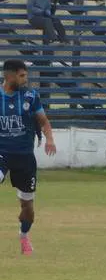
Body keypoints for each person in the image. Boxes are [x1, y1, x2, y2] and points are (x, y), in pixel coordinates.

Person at [0, 59, 57, 255]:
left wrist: (49, 138)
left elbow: (44, 121)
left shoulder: (31, 97)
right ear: (9, 76)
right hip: (2, 153)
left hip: (24, 157)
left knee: (28, 208)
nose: (26, 79)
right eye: (22, 75)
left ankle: (24, 236)